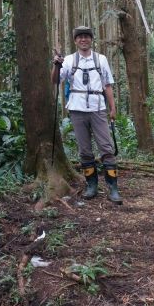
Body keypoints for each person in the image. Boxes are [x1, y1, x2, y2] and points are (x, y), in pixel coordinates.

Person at [51, 26, 122, 205]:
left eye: (86, 37)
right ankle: (92, 186)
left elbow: (107, 85)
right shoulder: (68, 60)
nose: (83, 39)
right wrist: (56, 65)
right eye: (80, 37)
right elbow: (54, 80)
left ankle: (113, 188)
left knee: (106, 147)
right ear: (75, 41)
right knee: (84, 150)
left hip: (98, 108)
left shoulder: (101, 59)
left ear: (91, 40)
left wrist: (112, 108)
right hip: (77, 108)